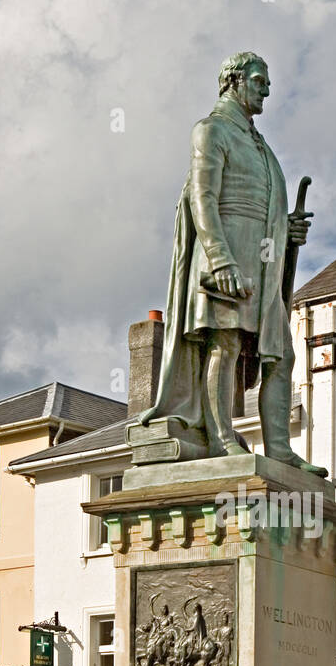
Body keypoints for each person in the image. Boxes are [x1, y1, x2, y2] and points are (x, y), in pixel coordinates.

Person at [139, 51, 325, 473]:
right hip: (227, 259)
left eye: (267, 82)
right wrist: (221, 261)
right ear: (233, 81)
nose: (267, 89)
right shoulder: (211, 130)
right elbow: (202, 198)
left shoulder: (261, 146)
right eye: (259, 81)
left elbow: (266, 210)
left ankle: (279, 449)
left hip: (263, 266)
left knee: (282, 354)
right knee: (223, 344)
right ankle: (223, 440)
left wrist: (287, 228)